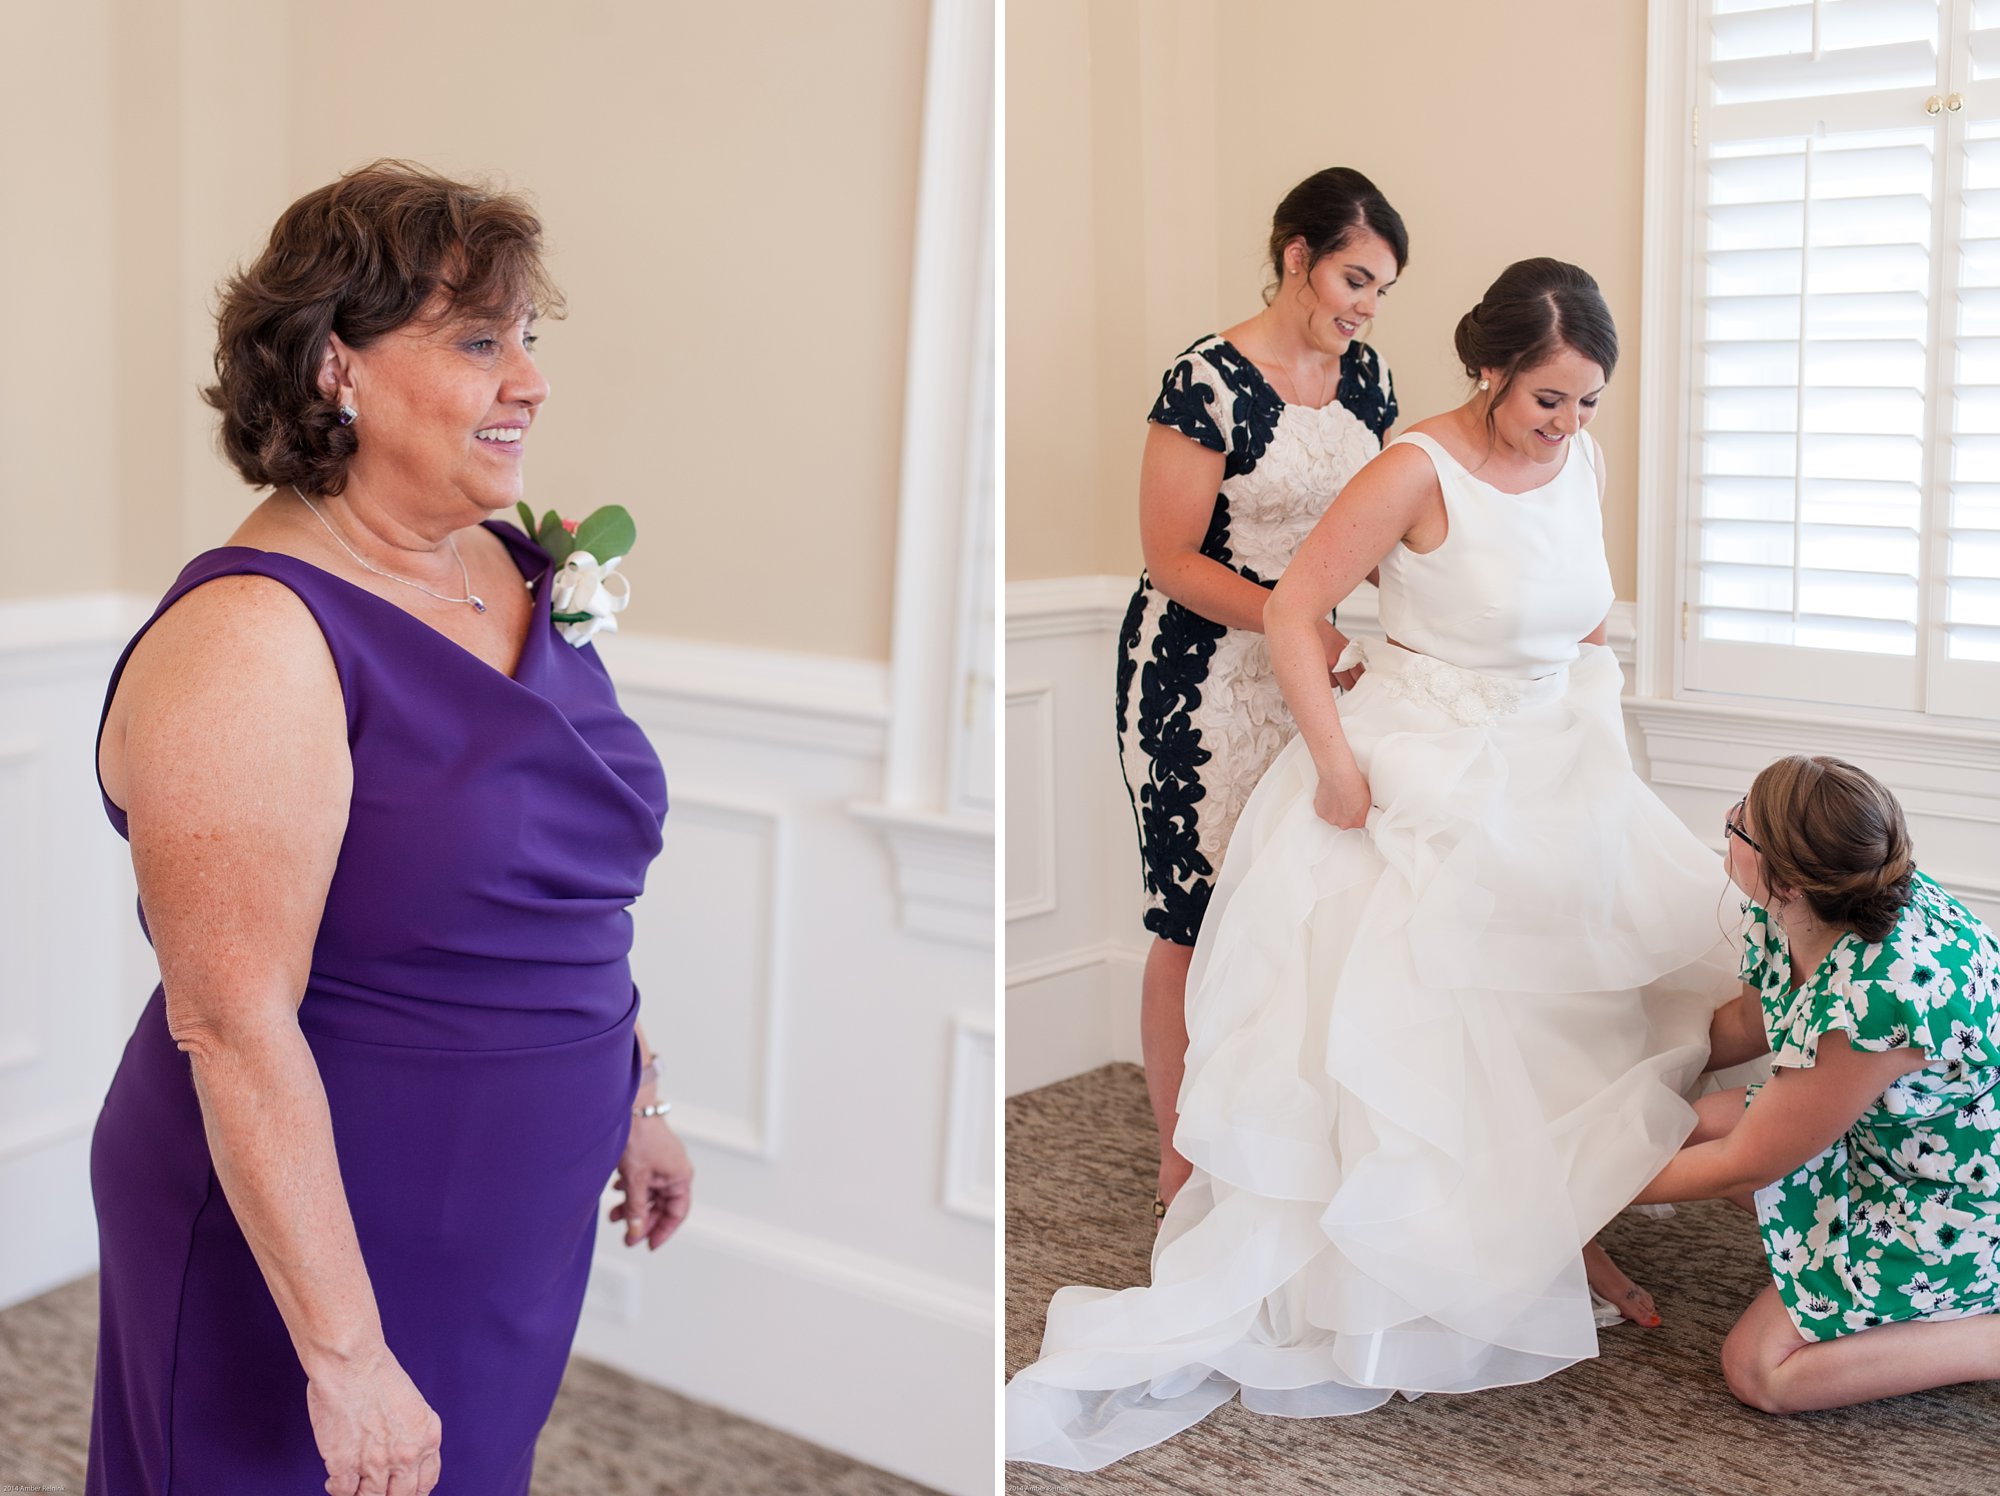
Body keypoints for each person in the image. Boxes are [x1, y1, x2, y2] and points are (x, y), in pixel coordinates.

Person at [1010, 259, 1739, 1471]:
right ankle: (1443, 1249)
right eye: (1545, 400)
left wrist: (1591, 747)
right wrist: (1334, 760)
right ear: (1491, 368)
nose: (1564, 425)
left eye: (1586, 403)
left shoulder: (1580, 459)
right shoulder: (1412, 465)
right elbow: (1296, 608)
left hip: (1551, 760)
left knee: (1570, 1005)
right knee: (1431, 1023)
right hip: (1422, 762)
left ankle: (1552, 1225)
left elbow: (1582, 618)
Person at [86, 161, 693, 1495]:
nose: (528, 380)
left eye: (530, 338)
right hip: (320, 1229)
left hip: (514, 1206)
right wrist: (348, 1358)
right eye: (479, 341)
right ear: (334, 369)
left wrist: (629, 1095)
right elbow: (231, 1023)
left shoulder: (514, 564)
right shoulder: (254, 636)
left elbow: (549, 887)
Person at [1119, 166, 1405, 1218]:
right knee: (1191, 914)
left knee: (1297, 904)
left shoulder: (1367, 381)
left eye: (1378, 291)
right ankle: (1177, 1155)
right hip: (1201, 680)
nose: (1364, 308)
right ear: (1296, 255)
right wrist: (1300, 623)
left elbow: (1370, 532)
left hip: (1314, 671)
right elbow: (1170, 560)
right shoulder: (1202, 380)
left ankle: (1275, 1139)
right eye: (1353, 279)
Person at [1634, 755, 2000, 1413]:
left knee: (1760, 1372)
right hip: (1893, 1143)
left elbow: (1743, 1165)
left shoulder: (1878, 999)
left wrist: (1583, 1188)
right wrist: (1623, 1075)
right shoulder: (1813, 905)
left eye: (1741, 825)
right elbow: (1750, 1024)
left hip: (1961, 1198)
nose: (1728, 820)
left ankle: (1988, 1335)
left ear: (1787, 882)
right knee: (1702, 1118)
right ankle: (1853, 1269)